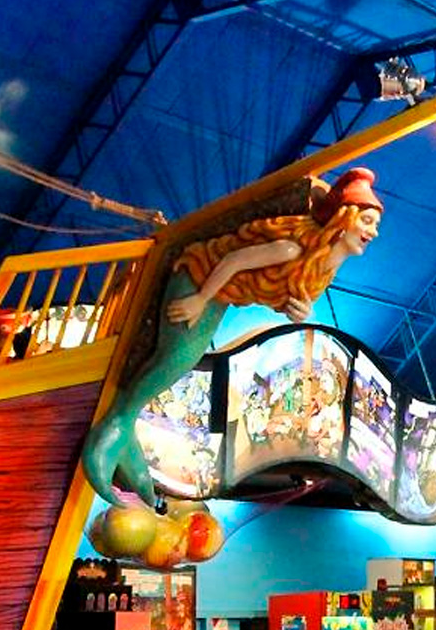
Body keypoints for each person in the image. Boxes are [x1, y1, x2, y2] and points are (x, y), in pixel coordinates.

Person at [84, 169, 384, 507]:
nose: (373, 232)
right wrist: (199, 299)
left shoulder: (323, 266)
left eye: (375, 224)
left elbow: (285, 297)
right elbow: (234, 260)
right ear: (343, 219)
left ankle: (121, 427)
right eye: (367, 221)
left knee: (181, 361)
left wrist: (299, 311)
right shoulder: (291, 248)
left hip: (222, 296)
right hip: (202, 275)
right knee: (176, 358)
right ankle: (115, 426)